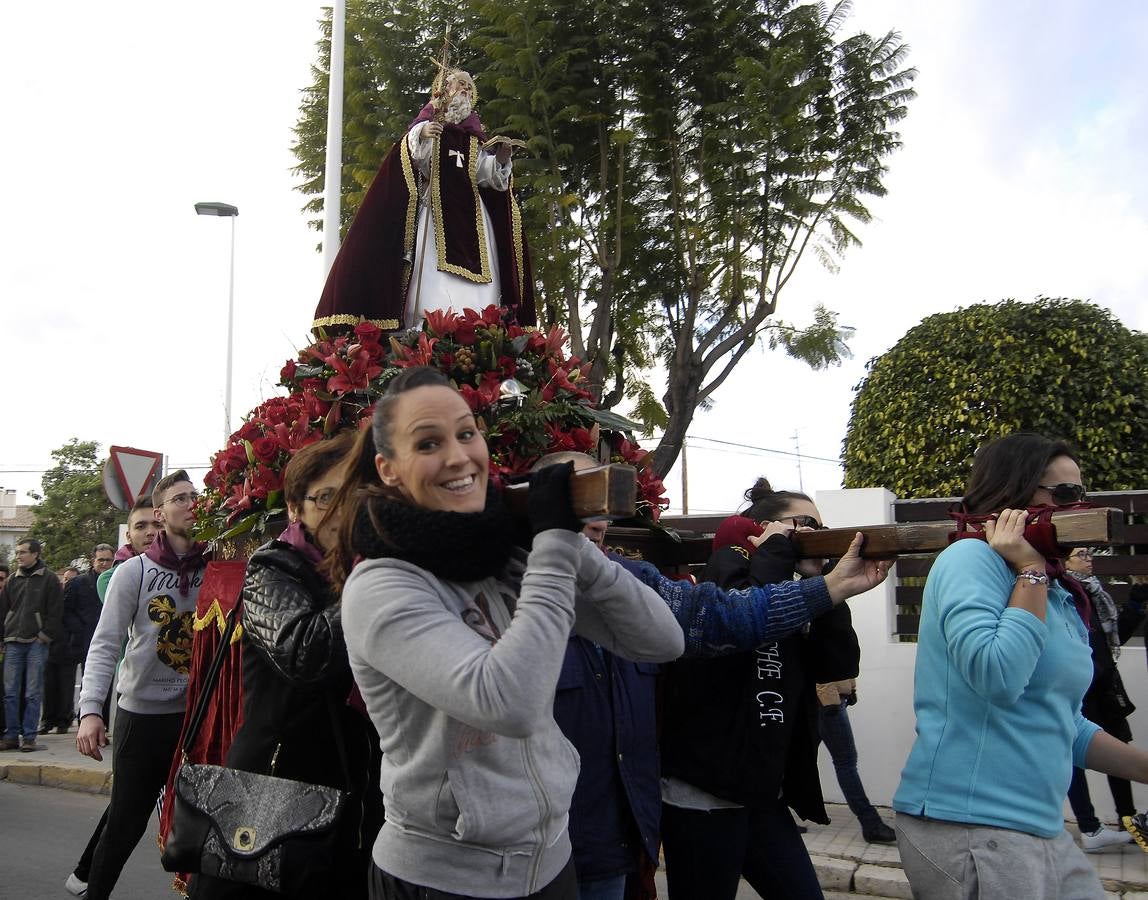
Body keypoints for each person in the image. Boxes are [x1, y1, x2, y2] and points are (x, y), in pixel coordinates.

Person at [329, 366, 684, 900]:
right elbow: (509, 703)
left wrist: (571, 545)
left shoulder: (509, 554)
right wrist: (555, 544)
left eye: (467, 433)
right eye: (429, 443)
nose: (458, 456)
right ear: (390, 469)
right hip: (445, 878)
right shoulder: (381, 587)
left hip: (551, 861)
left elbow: (661, 640)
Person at [892, 433, 1148, 899]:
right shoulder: (971, 559)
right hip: (968, 824)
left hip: (1041, 824)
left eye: (1082, 493)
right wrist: (1028, 566)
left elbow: (1062, 723)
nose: (1081, 505)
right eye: (1065, 494)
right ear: (1014, 496)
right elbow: (998, 676)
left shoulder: (1056, 586)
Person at [658, 479, 886, 900]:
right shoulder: (727, 563)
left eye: (823, 526)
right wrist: (778, 553)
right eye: (805, 524)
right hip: (704, 796)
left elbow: (837, 665)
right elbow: (739, 620)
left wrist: (827, 591)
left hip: (763, 797)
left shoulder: (806, 592)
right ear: (766, 529)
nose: (817, 534)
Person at [189, 432, 382, 899]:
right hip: (271, 793)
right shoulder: (274, 567)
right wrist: (378, 575)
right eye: (327, 497)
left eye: (356, 495)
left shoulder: (373, 569)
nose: (342, 511)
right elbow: (305, 653)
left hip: (355, 790)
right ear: (296, 508)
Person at [312, 67, 535, 333]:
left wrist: (501, 158)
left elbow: (488, 176)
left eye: (468, 87)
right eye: (459, 85)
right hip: (435, 213)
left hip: (473, 221)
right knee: (428, 270)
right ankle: (425, 323)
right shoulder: (429, 126)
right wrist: (423, 134)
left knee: (484, 278)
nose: (464, 90)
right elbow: (411, 157)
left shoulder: (473, 140)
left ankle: (477, 323)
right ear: (443, 92)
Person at [75, 470, 209, 900]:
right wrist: (91, 710)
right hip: (142, 718)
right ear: (160, 513)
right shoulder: (133, 572)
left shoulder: (220, 566)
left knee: (204, 826)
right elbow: (105, 643)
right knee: (125, 826)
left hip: (197, 719)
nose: (191, 503)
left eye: (196, 496)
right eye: (180, 498)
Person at [67, 499, 162, 898]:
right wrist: (90, 710)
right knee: (128, 809)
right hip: (129, 700)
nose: (148, 532)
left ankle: (86, 873)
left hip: (181, 706)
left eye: (154, 524)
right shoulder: (121, 574)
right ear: (129, 534)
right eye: (139, 526)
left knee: (132, 803)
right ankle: (89, 876)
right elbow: (103, 645)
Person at [1063, 547, 1143, 850]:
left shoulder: (1095, 593)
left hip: (1105, 689)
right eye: (1081, 554)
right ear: (1065, 561)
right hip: (1081, 689)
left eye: (1090, 553)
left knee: (1117, 754)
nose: (1089, 558)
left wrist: (1136, 602)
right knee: (1075, 758)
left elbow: (1113, 638)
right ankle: (1089, 827)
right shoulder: (1065, 592)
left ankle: (1130, 822)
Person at [1, 537, 63, 752]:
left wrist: (44, 636)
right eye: (17, 552)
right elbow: (3, 611)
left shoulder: (50, 579)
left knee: (32, 693)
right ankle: (10, 736)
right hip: (12, 642)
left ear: (35, 554)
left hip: (37, 642)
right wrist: (3, 637)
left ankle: (29, 737)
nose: (18, 556)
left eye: (22, 552)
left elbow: (56, 612)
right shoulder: (12, 580)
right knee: (10, 693)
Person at [43, 543, 114, 734]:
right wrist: (80, 630)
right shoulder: (78, 583)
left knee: (108, 682)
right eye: (101, 560)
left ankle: (104, 721)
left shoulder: (117, 580)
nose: (104, 564)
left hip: (111, 639)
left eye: (108, 560)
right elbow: (66, 611)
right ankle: (85, 720)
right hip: (84, 640)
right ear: (93, 561)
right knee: (88, 681)